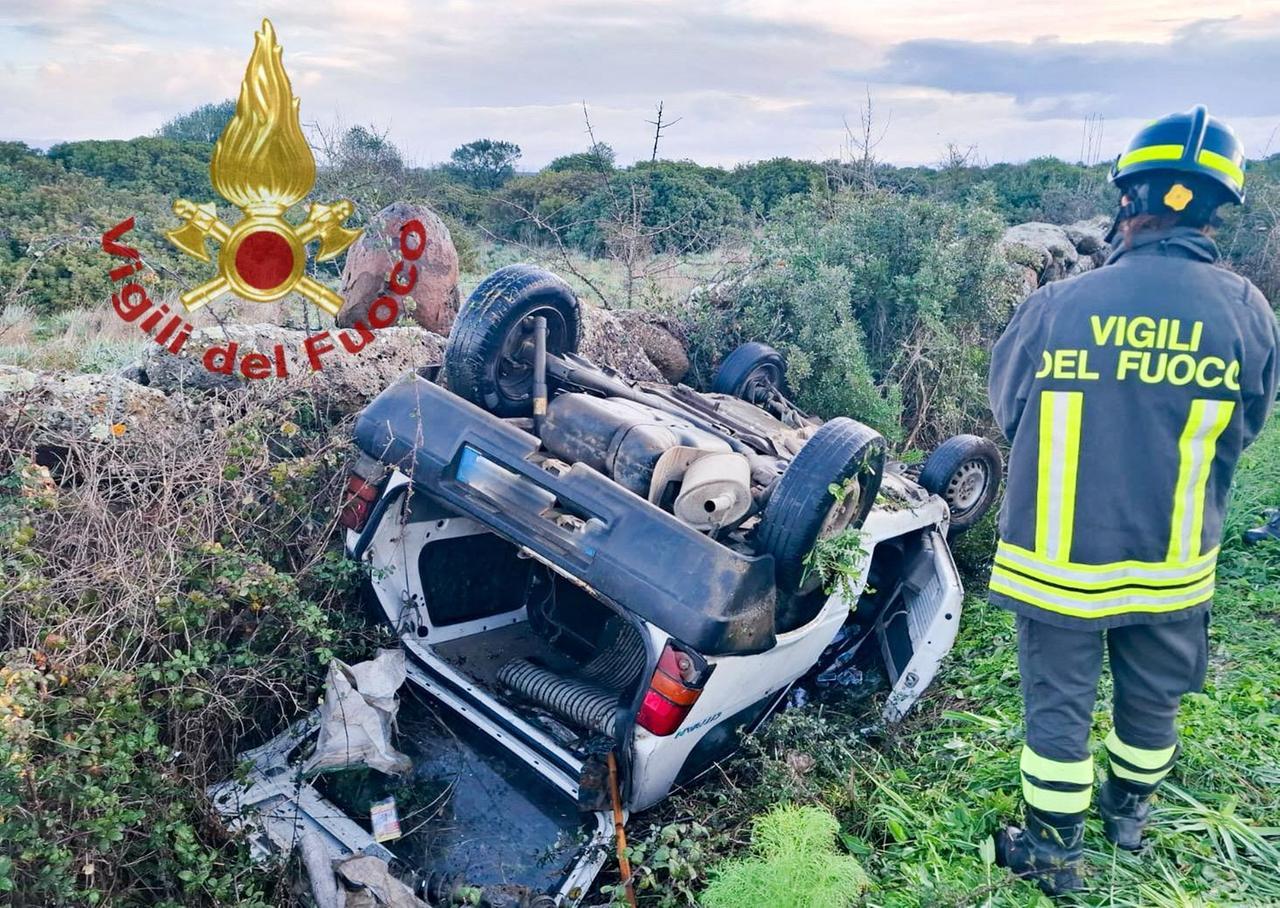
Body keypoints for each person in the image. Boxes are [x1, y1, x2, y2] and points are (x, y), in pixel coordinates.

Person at [986, 105, 1280, 895]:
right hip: (1173, 562)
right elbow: (1245, 427)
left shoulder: (1057, 307)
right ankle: (1128, 814)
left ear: (1129, 200)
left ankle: (1051, 851)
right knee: (1153, 705)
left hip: (1060, 563)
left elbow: (1008, 412)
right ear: (1220, 209)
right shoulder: (1248, 311)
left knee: (1058, 712)